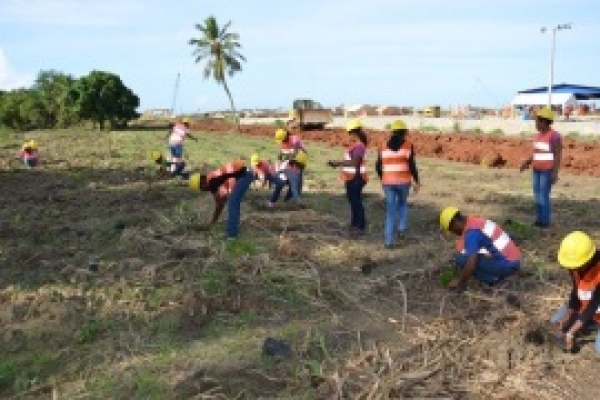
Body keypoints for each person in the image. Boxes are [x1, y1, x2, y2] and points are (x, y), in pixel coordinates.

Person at [439, 206, 522, 291]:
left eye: (452, 230)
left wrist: (460, 283)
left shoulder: (472, 233)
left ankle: (494, 280)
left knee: (461, 260)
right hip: (515, 261)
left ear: (455, 224)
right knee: (469, 256)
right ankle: (499, 275)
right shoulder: (475, 221)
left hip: (507, 266)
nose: (455, 233)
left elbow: (471, 265)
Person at [551, 231, 600, 354]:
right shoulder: (575, 265)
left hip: (594, 307)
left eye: (575, 266)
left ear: (587, 260)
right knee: (556, 320)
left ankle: (591, 325)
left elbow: (593, 306)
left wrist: (571, 333)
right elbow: (575, 291)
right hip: (587, 306)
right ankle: (588, 324)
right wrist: (568, 316)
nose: (572, 269)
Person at [375, 120, 421, 249]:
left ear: (393, 131)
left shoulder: (383, 145)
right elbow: (412, 165)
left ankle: (388, 241)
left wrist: (383, 178)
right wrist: (417, 181)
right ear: (404, 132)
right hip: (403, 182)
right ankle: (401, 228)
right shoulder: (408, 145)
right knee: (402, 204)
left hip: (387, 182)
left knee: (390, 211)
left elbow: (378, 166)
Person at [519, 107, 562, 228]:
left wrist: (555, 173)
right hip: (537, 170)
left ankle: (545, 222)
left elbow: (558, 155)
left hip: (546, 171)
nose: (536, 124)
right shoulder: (538, 136)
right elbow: (536, 153)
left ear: (545, 122)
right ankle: (539, 220)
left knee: (543, 195)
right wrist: (527, 162)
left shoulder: (555, 136)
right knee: (537, 195)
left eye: (537, 121)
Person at [188, 160, 253, 239]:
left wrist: (212, 222)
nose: (203, 190)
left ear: (202, 182)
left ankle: (232, 235)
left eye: (201, 188)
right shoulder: (212, 181)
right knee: (233, 203)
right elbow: (220, 203)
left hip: (244, 175)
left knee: (233, 203)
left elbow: (220, 202)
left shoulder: (212, 180)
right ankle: (233, 231)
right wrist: (213, 222)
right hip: (243, 175)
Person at [327, 119, 368, 238]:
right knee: (353, 201)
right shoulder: (356, 145)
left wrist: (338, 163)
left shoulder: (359, 146)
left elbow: (355, 163)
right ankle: (354, 224)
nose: (348, 136)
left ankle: (360, 226)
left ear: (354, 132)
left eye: (349, 133)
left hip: (356, 178)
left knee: (356, 202)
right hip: (352, 178)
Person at [274, 127, 307, 200]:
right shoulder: (283, 142)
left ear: (285, 137)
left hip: (300, 158)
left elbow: (294, 154)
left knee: (297, 178)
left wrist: (286, 161)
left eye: (282, 140)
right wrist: (278, 165)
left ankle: (294, 196)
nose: (281, 142)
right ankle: (290, 195)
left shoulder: (294, 140)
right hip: (291, 157)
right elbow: (281, 154)